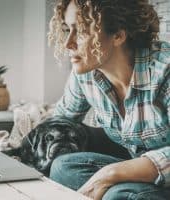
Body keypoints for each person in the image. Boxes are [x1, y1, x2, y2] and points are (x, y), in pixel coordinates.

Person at [47, 0, 170, 199]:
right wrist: (19, 156)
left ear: (119, 35)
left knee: (120, 194)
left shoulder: (164, 71)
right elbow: (60, 122)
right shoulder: (85, 74)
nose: (68, 43)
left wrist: (109, 175)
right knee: (63, 167)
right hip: (141, 176)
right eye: (67, 29)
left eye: (82, 30)